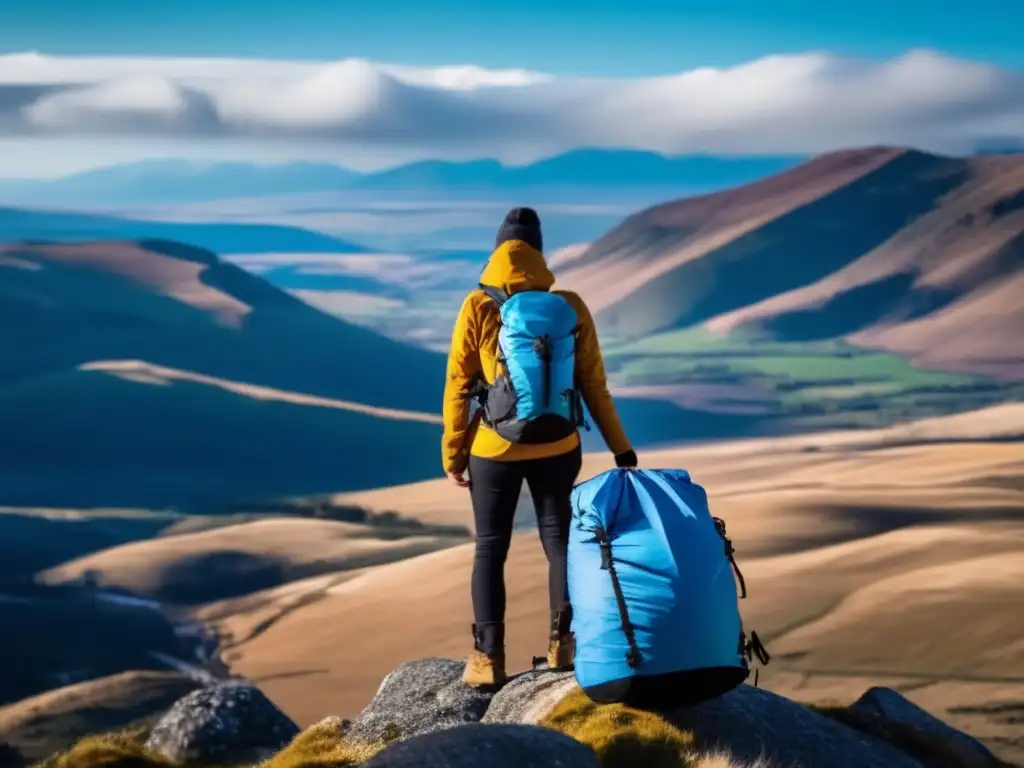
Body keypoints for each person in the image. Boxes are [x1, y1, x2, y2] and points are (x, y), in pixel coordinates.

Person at [442, 206, 638, 687]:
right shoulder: (568, 305)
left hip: (494, 448)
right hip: (558, 444)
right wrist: (621, 449)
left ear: (496, 252)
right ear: (540, 253)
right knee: (561, 544)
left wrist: (453, 454)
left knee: (491, 549)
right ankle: (563, 646)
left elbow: (457, 384)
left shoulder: (478, 305)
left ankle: (488, 660)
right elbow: (594, 384)